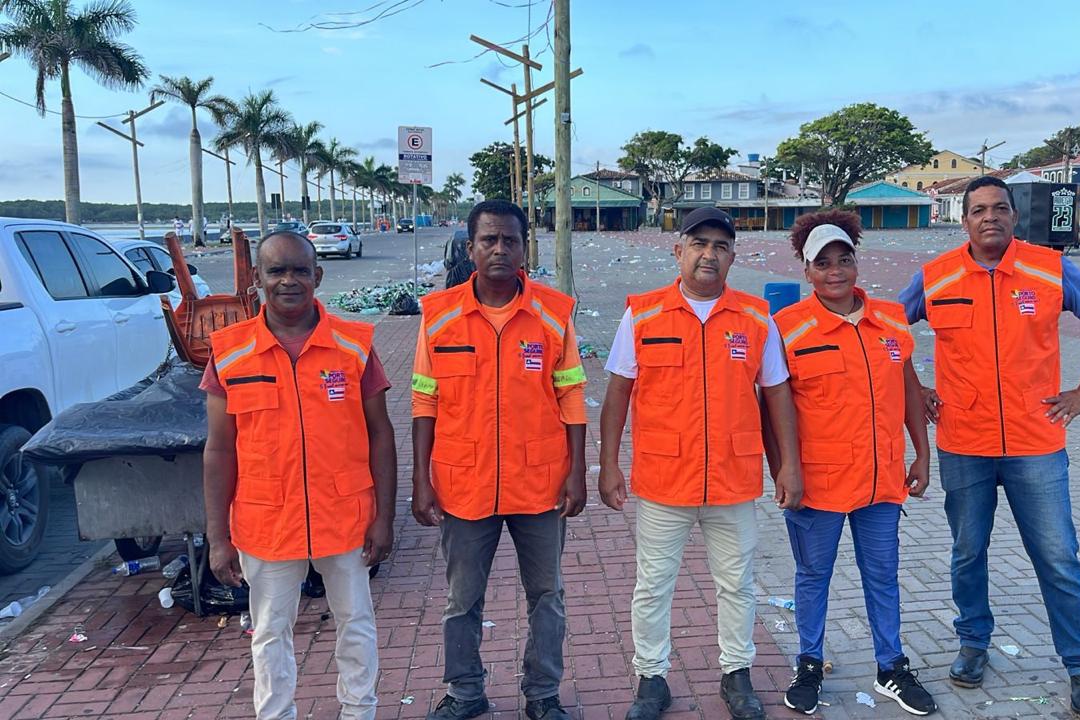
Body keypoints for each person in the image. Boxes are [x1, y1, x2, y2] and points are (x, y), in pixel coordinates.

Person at [898, 176, 1080, 720]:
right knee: (967, 553)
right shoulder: (935, 276)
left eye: (999, 208)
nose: (990, 217)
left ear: (1014, 216)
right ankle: (973, 643)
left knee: (1058, 557)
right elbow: (886, 334)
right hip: (964, 443)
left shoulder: (1050, 269)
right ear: (964, 220)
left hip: (1035, 444)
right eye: (979, 210)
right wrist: (916, 387)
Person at [598, 206, 803, 720]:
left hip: (733, 479)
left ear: (732, 256)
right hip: (663, 480)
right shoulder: (642, 314)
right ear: (678, 251)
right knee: (653, 587)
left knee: (737, 584)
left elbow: (777, 393)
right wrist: (608, 464)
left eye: (720, 246)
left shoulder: (756, 318)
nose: (709, 254)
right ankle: (652, 679)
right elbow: (618, 392)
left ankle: (737, 675)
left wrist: (788, 465)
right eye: (699, 244)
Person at [202, 230, 397, 720]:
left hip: (345, 516)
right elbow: (219, 449)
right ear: (257, 278)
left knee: (356, 623)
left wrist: (384, 519)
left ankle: (359, 712)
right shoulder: (230, 352)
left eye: (300, 270)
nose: (288, 281)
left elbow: (381, 434)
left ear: (318, 276)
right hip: (266, 522)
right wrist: (218, 537)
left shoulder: (353, 346)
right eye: (276, 271)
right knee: (270, 631)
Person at [411, 199, 587, 720]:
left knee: (547, 595)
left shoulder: (554, 313)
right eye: (489, 240)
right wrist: (420, 479)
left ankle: (543, 695)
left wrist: (578, 472)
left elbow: (572, 395)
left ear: (524, 248)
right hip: (464, 483)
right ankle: (466, 693)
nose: (500, 249)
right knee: (462, 600)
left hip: (540, 481)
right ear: (470, 248)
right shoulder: (438, 316)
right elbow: (424, 400)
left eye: (510, 240)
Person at [766, 211, 936, 716]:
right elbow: (771, 407)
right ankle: (809, 664)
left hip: (881, 481)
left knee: (882, 574)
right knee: (812, 575)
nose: (835, 271)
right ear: (806, 270)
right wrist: (783, 470)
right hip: (817, 484)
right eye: (822, 263)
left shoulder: (891, 320)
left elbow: (909, 388)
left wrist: (922, 453)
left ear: (856, 263)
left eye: (844, 259)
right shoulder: (787, 328)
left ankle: (891, 667)